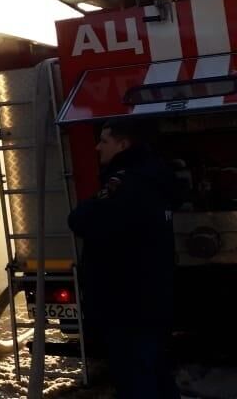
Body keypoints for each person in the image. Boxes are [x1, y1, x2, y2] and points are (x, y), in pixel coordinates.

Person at [68, 119, 179, 399]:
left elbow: (80, 220)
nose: (96, 147)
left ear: (123, 145)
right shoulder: (155, 177)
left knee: (135, 377)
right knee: (155, 370)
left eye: (104, 141)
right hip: (152, 296)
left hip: (127, 302)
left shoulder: (126, 183)